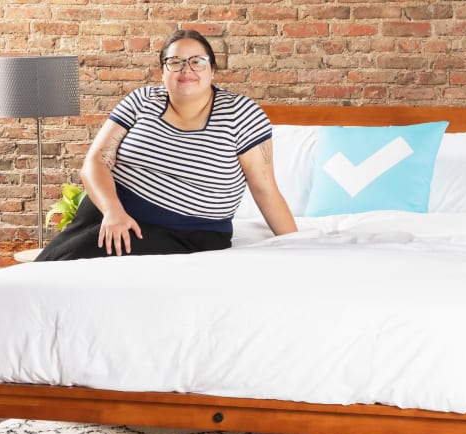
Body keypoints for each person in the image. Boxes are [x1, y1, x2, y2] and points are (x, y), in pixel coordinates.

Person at [36, 29, 297, 261]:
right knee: (51, 262)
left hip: (189, 233)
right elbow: (95, 162)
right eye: (175, 62)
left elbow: (265, 189)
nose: (187, 70)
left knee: (66, 263)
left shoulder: (241, 114)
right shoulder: (141, 100)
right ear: (162, 71)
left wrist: (299, 247)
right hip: (108, 212)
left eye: (198, 62)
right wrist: (113, 211)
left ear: (212, 70)